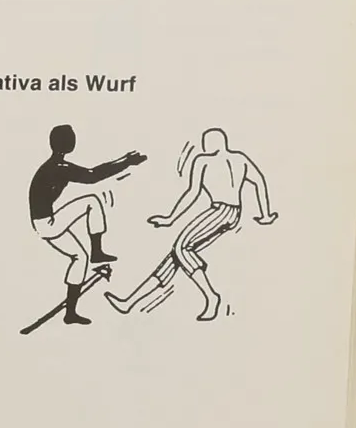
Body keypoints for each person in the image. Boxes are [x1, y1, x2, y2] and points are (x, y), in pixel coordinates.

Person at [106, 127, 277, 322]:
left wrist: (170, 219)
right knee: (175, 257)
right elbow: (259, 181)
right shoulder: (240, 159)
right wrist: (265, 214)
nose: (204, 145)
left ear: (213, 142)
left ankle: (211, 297)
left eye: (206, 141)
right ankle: (129, 302)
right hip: (232, 213)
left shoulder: (203, 161)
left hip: (220, 212)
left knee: (182, 248)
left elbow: (192, 193)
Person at [26, 125, 146, 325]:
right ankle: (96, 252)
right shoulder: (59, 167)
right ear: (68, 143)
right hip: (47, 224)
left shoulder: (55, 165)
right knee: (91, 201)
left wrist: (124, 160)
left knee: (80, 257)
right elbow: (92, 176)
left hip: (45, 221)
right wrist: (126, 162)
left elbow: (92, 173)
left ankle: (70, 314)